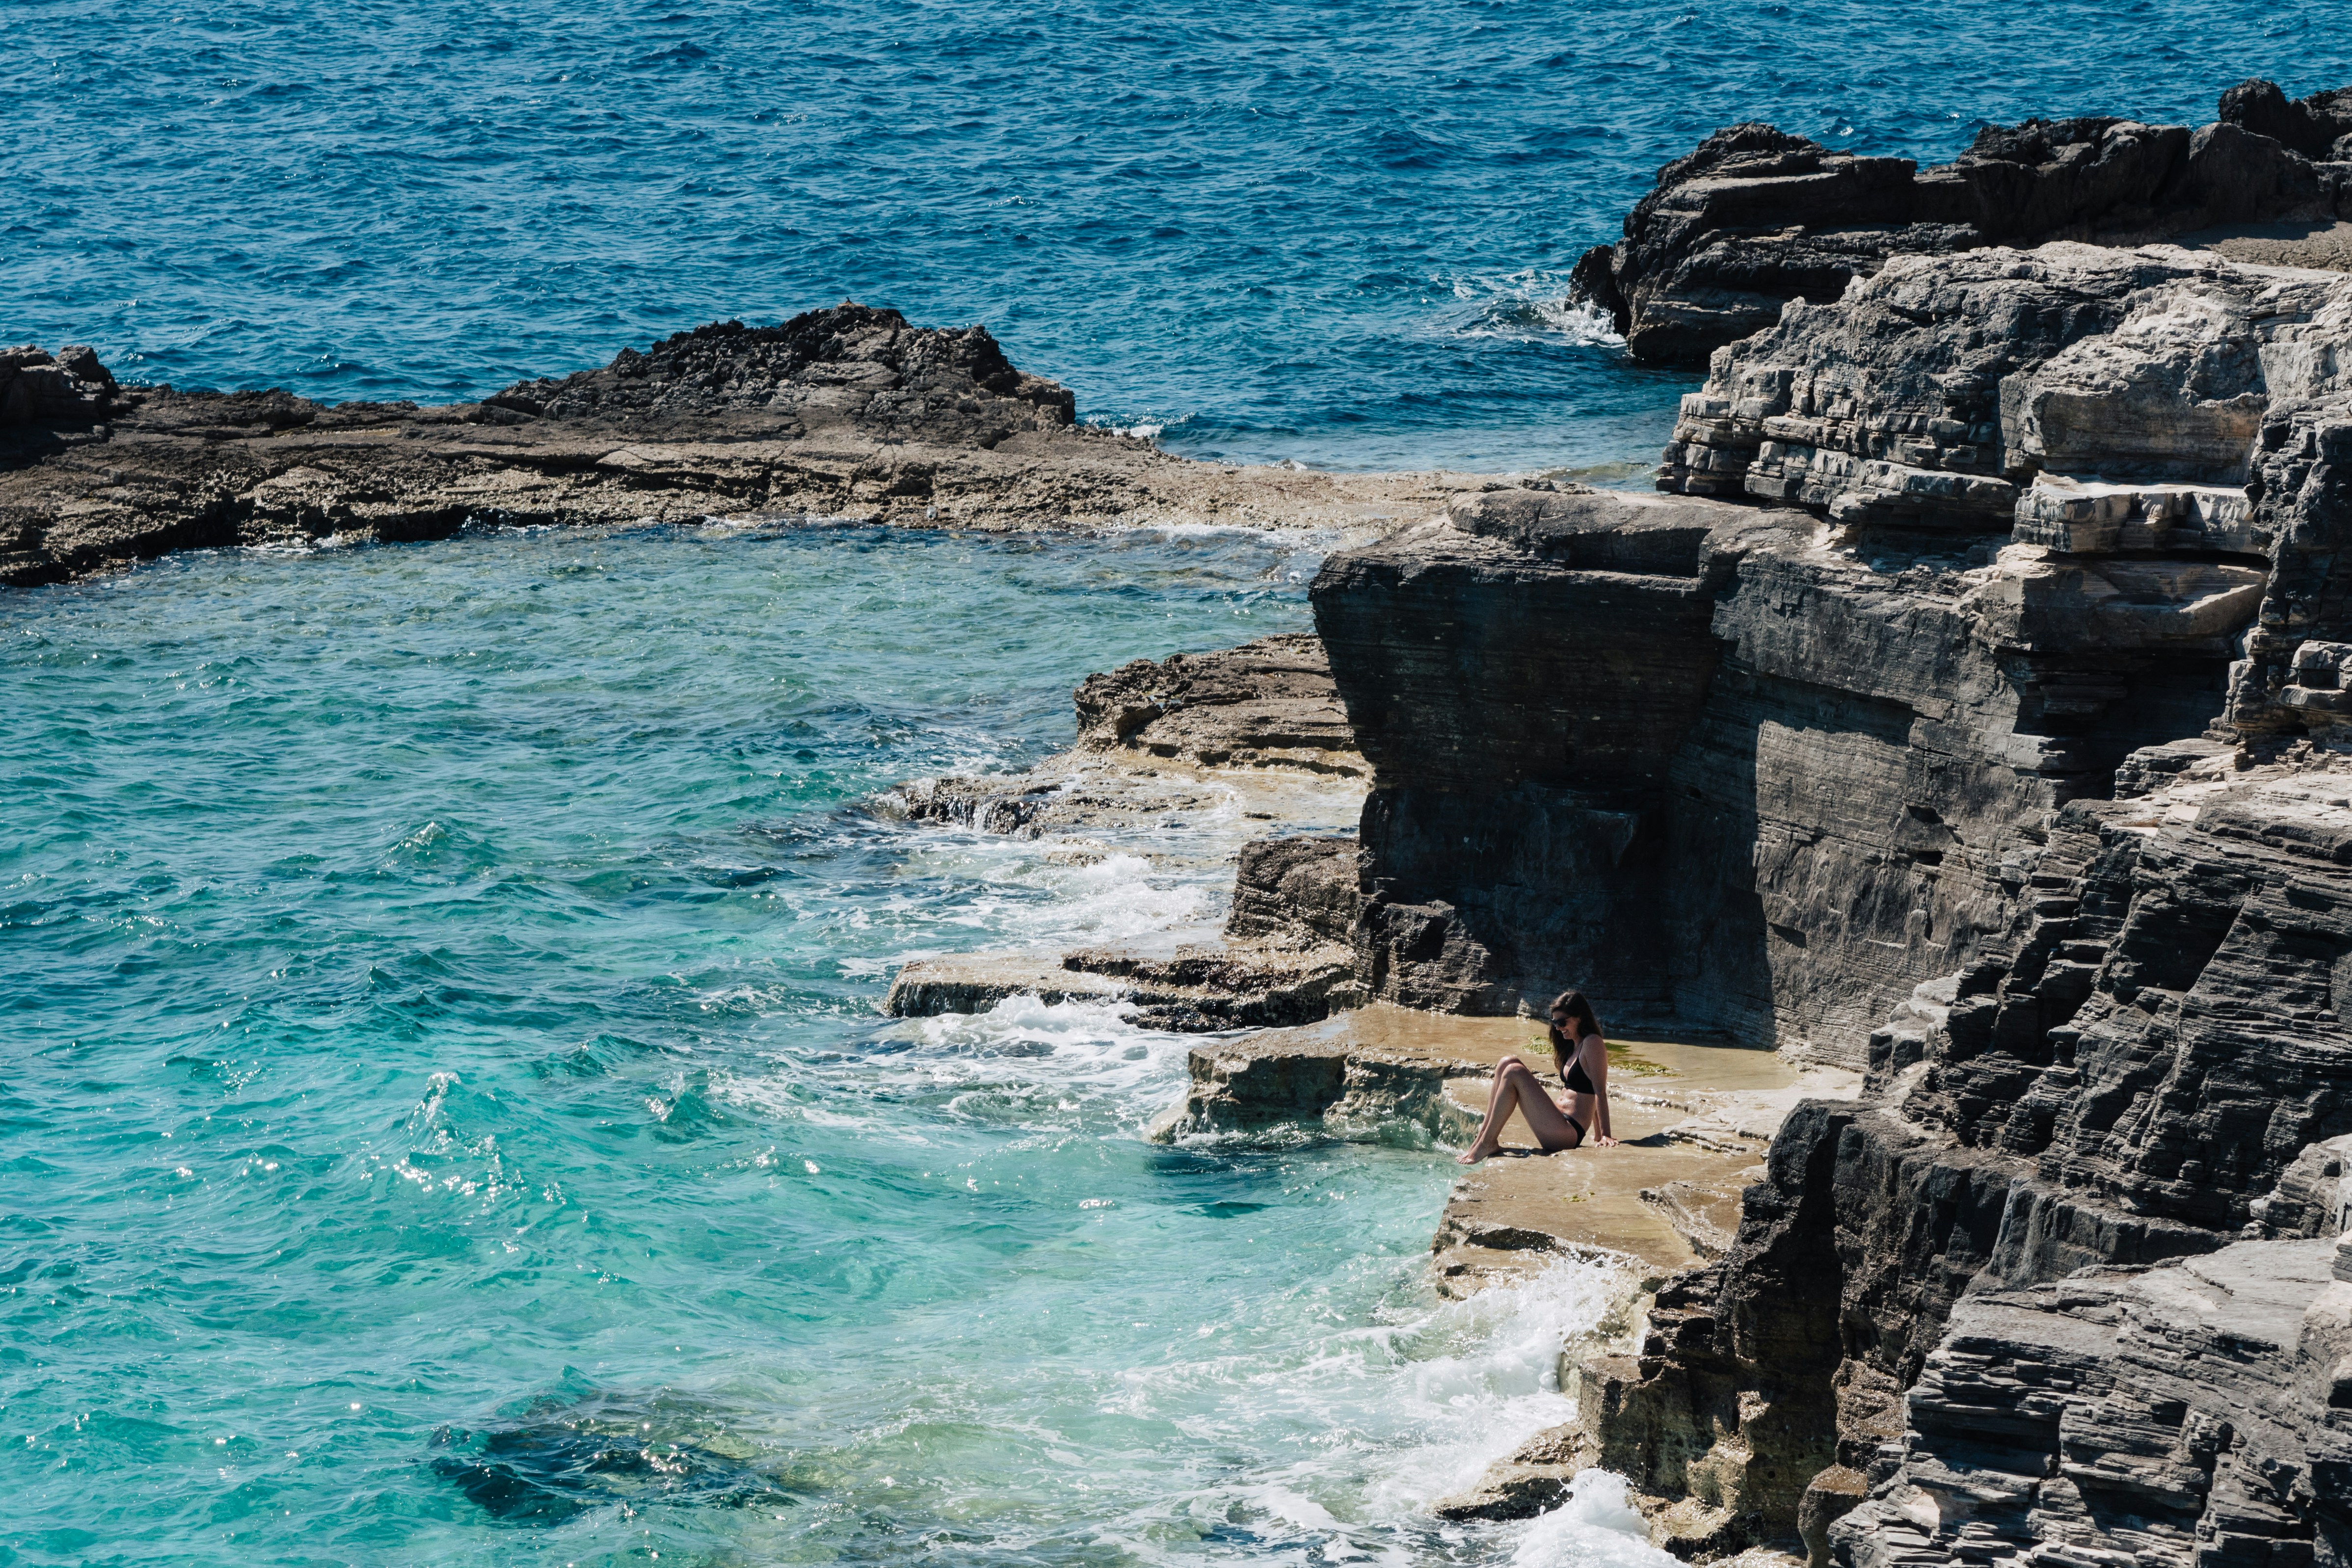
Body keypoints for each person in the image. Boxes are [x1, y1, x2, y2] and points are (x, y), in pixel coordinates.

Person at [1455, 989, 1616, 1164]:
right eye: (1555, 1022)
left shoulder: (1592, 1042)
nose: (1558, 1027)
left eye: (1562, 1022)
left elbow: (1599, 1090)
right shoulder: (1574, 1046)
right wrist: (1597, 1134)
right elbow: (1588, 1086)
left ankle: (1487, 1143)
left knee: (1514, 1072)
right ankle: (1481, 1140)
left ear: (1580, 1017)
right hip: (1557, 1121)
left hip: (1567, 1134)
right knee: (1507, 1062)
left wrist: (1605, 1135)